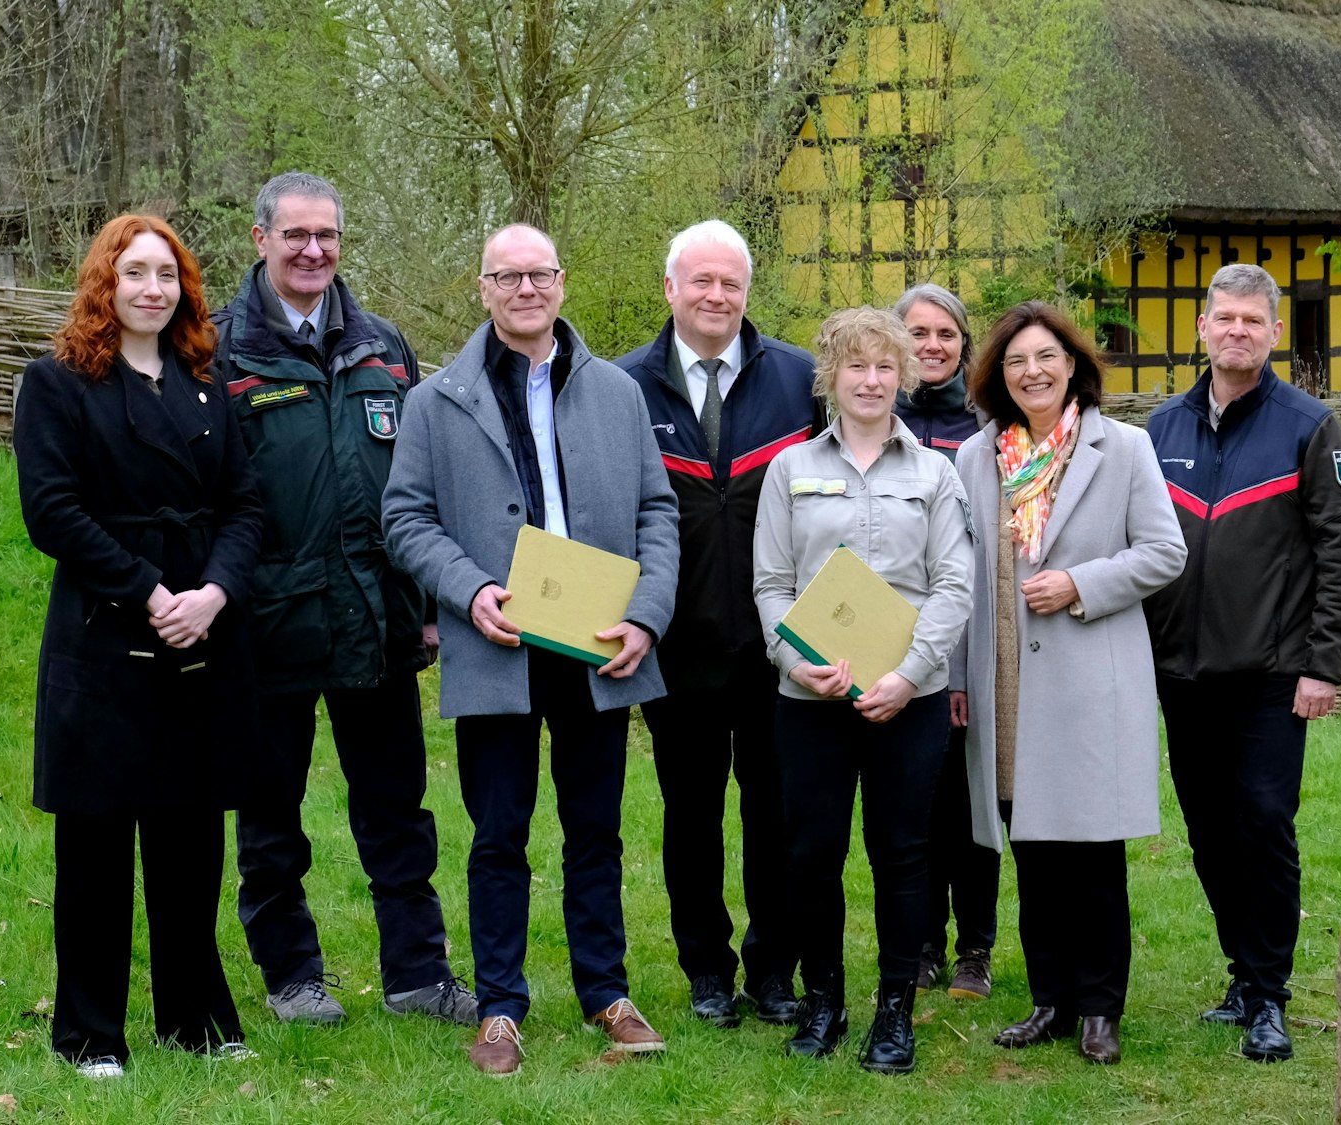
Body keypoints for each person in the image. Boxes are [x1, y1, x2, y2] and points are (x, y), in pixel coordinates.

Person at [383, 223, 681, 1075]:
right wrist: (469, 588)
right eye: (506, 276)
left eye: (538, 274)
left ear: (560, 283)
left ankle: (606, 991)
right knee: (498, 833)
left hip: (597, 646)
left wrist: (646, 614)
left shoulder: (619, 394)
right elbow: (404, 518)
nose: (524, 289)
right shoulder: (436, 401)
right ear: (482, 288)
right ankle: (502, 1006)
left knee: (596, 830)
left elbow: (657, 514)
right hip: (498, 644)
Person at [215, 171, 474, 1027]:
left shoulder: (383, 346)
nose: (314, 250)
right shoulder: (219, 351)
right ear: (261, 240)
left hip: (377, 621)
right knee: (271, 821)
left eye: (326, 235)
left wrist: (432, 605)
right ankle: (292, 975)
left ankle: (416, 974)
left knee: (397, 811)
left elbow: (421, 487)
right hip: (267, 625)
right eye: (295, 236)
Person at [14, 214, 265, 1077]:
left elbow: (247, 504)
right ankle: (88, 1031)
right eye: (136, 274)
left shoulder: (207, 376)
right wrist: (150, 590)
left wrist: (214, 592)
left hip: (203, 632)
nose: (153, 289)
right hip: (105, 635)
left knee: (192, 835)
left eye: (169, 275)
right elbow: (51, 511)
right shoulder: (56, 384)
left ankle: (194, 1016)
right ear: (105, 284)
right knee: (96, 841)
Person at [1144, 263, 1341, 1063]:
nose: (1236, 331)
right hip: (1180, 672)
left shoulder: (1309, 427)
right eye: (1223, 318)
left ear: (1273, 333)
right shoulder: (1159, 431)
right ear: (1201, 327)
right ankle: (1242, 971)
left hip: (1273, 673)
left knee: (1264, 824)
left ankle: (1270, 994)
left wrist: (1325, 665)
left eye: (1252, 320)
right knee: (1208, 832)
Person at [956, 301, 1187, 1065]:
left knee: (1090, 853)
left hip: (1089, 678)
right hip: (1009, 679)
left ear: (1073, 364)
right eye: (1017, 360)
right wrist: (960, 675)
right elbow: (961, 576)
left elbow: (1164, 551)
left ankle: (1100, 1008)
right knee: (1032, 849)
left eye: (1046, 357)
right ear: (998, 375)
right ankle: (1049, 999)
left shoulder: (1122, 448)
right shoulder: (976, 458)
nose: (1033, 371)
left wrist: (1080, 583)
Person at [752, 306, 971, 1075]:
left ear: (903, 376)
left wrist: (908, 672)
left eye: (885, 366)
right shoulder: (789, 469)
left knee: (902, 854)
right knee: (811, 854)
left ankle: (893, 1013)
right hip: (811, 701)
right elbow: (772, 586)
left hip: (908, 702)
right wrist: (793, 659)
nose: (871, 380)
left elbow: (953, 584)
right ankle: (825, 1001)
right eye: (856, 366)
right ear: (831, 377)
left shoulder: (935, 474)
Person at [615, 220, 821, 1029]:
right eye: (700, 281)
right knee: (691, 817)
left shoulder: (800, 380)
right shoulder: (622, 385)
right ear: (670, 288)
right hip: (679, 644)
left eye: (730, 283)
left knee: (778, 815)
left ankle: (775, 968)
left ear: (747, 291)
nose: (716, 296)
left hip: (780, 646)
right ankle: (706, 967)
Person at [893, 283, 999, 1000]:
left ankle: (976, 947)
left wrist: (963, 664)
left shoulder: (989, 427)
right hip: (896, 648)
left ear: (966, 342)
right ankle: (923, 943)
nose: (932, 346)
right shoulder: (874, 418)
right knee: (914, 804)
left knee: (971, 804)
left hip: (976, 646)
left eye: (947, 334)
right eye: (918, 333)